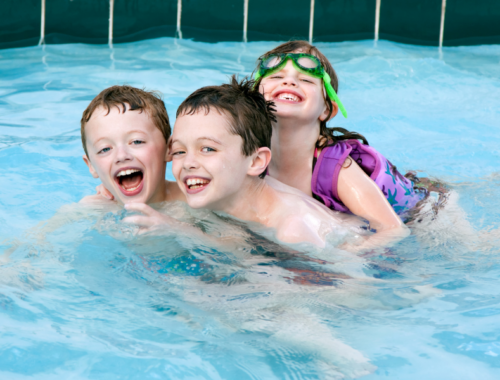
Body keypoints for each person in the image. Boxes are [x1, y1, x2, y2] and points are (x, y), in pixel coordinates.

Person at [126, 77, 408, 248]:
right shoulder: (227, 187)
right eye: (179, 152)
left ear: (256, 161)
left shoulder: (292, 228)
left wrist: (180, 231)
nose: (188, 163)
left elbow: (336, 291)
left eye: (207, 149)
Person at [254, 40, 428, 236]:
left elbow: (392, 230)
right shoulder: (249, 159)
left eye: (306, 80)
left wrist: (338, 262)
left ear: (327, 110)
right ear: (253, 100)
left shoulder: (336, 169)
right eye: (277, 76)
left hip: (423, 213)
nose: (289, 82)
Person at [80, 85, 184, 206]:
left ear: (169, 148)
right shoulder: (91, 209)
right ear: (91, 166)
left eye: (137, 141)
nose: (121, 156)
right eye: (105, 149)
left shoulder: (194, 201)